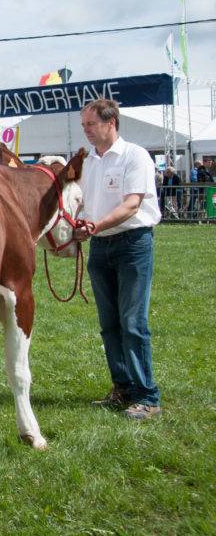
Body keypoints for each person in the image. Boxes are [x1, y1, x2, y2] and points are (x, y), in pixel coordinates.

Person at [72, 98, 162, 421]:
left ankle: (147, 396)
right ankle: (122, 388)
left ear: (111, 123)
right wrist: (80, 226)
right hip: (100, 248)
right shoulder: (90, 163)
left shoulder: (135, 156)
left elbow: (131, 205)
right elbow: (84, 203)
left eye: (90, 124)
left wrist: (95, 225)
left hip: (133, 245)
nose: (86, 131)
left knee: (133, 323)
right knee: (110, 325)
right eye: (83, 125)